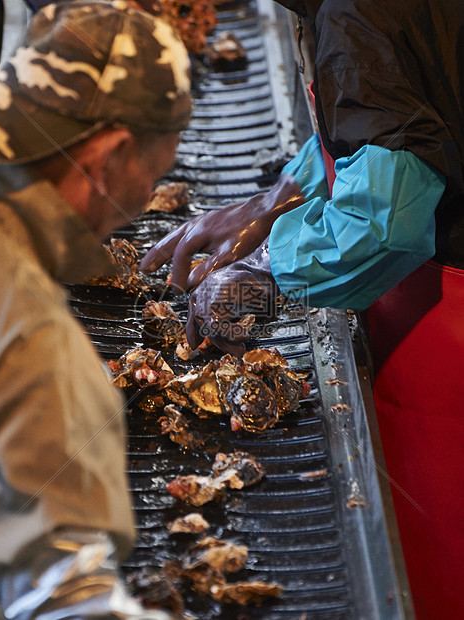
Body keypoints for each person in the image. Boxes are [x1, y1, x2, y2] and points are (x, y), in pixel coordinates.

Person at [141, 0, 464, 617]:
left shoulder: (358, 13)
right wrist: (280, 197)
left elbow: (387, 221)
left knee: (437, 566)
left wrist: (266, 272)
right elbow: (404, 113)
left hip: (448, 332)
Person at [0, 1, 191, 618]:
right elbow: (69, 602)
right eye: (157, 171)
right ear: (109, 157)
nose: (149, 195)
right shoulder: (29, 342)